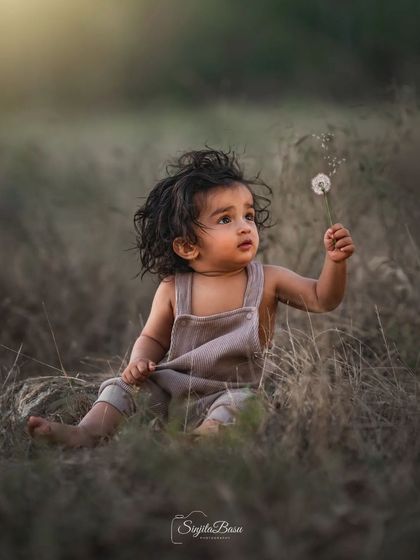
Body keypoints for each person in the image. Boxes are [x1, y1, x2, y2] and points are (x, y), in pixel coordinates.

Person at [27, 148, 355, 447]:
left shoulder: (269, 280)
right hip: (169, 390)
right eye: (226, 219)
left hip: (230, 392)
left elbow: (321, 298)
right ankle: (85, 433)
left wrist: (334, 263)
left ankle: (199, 441)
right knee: (119, 387)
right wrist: (138, 363)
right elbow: (152, 337)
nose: (244, 227)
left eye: (249, 216)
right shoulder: (173, 288)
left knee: (244, 405)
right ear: (187, 246)